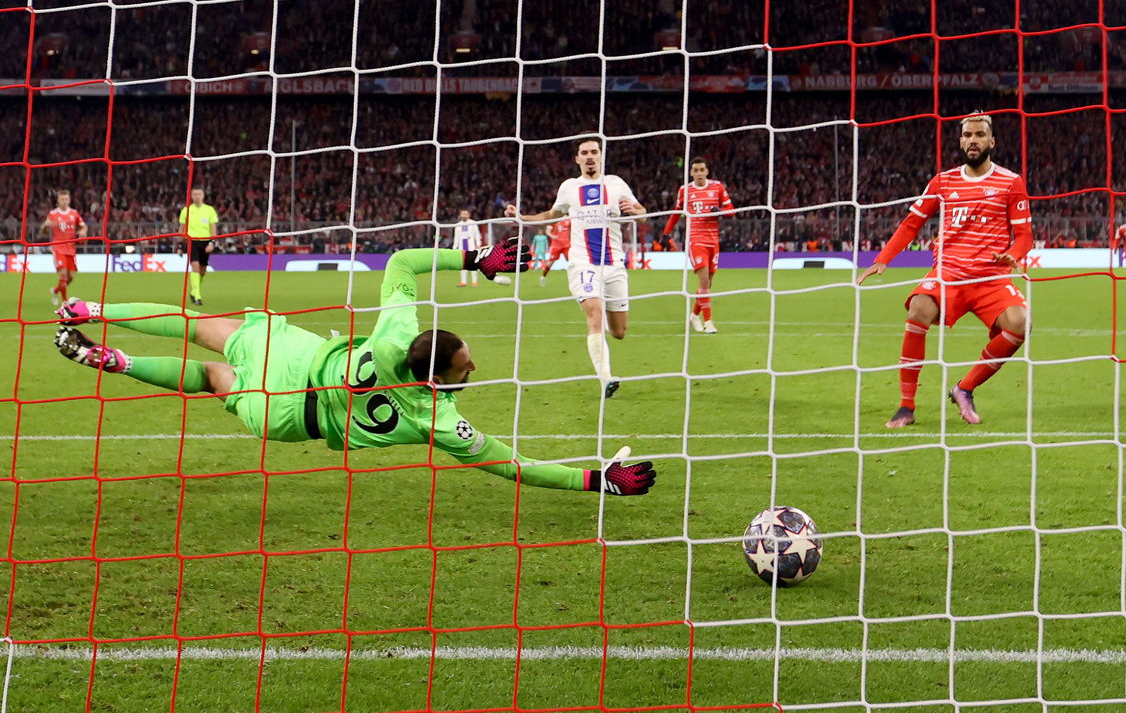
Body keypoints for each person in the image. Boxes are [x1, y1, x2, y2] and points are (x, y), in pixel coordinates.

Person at [52, 239, 655, 496]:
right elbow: (513, 464)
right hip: (290, 417)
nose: (474, 368)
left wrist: (472, 257)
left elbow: (401, 261)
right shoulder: (436, 417)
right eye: (467, 367)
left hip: (298, 355)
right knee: (214, 381)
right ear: (440, 378)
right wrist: (593, 479)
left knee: (199, 328)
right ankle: (118, 361)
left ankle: (92, 307)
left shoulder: (398, 331)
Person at [856, 112, 1033, 427]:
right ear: (960, 140)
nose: (973, 140)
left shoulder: (1011, 182)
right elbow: (912, 223)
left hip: (990, 278)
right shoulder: (943, 181)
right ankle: (906, 406)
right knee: (919, 308)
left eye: (979, 135)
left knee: (1020, 323)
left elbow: (1024, 236)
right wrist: (883, 258)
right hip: (948, 273)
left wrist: (1014, 253)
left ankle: (964, 388)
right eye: (967, 135)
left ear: (992, 141)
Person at [505, 137, 646, 398]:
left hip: (614, 264)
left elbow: (642, 212)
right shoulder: (570, 187)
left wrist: (634, 210)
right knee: (594, 313)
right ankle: (606, 379)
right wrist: (522, 218)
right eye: (584, 152)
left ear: (601, 156)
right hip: (583, 263)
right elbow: (551, 215)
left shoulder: (616, 184)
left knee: (619, 332)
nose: (590, 156)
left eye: (594, 152)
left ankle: (601, 344)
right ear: (577, 158)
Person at [660, 157, 735, 333]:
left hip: (713, 241)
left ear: (707, 171)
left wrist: (721, 211)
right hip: (696, 240)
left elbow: (731, 211)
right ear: (691, 172)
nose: (699, 173)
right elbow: (676, 213)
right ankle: (708, 322)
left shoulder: (717, 187)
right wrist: (665, 233)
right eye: (696, 170)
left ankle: (694, 315)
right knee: (703, 282)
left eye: (702, 169)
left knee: (708, 285)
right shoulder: (684, 190)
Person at [40, 189, 87, 306]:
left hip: (71, 248)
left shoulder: (74, 213)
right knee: (63, 275)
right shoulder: (53, 214)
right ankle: (65, 302)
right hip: (58, 247)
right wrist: (46, 226)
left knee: (71, 276)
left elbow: (83, 226)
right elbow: (43, 230)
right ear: (58, 200)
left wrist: (82, 232)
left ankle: (56, 291)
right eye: (62, 199)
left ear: (69, 200)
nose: (64, 201)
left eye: (66, 199)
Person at [178, 188, 219, 306]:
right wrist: (180, 245)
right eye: (195, 194)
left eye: (199, 194)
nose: (197, 196)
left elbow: (213, 228)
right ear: (191, 196)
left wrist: (212, 242)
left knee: (203, 271)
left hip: (205, 242)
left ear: (203, 195)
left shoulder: (209, 210)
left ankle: (194, 291)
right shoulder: (186, 210)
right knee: (195, 267)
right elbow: (182, 228)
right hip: (192, 241)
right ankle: (197, 296)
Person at [454, 209, 482, 286]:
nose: (464, 215)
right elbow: (456, 238)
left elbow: (477, 234)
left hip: (471, 246)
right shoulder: (458, 225)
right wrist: (454, 248)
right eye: (463, 214)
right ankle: (463, 282)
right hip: (461, 247)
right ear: (460, 215)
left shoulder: (473, 223)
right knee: (462, 265)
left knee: (473, 264)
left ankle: (474, 282)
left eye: (466, 214)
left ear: (469, 215)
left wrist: (478, 244)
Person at [540, 218, 571, 287]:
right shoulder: (553, 220)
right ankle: (543, 277)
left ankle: (575, 279)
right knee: (550, 263)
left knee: (572, 261)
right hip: (556, 246)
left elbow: (571, 230)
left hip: (566, 245)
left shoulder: (568, 220)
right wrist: (553, 236)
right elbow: (548, 231)